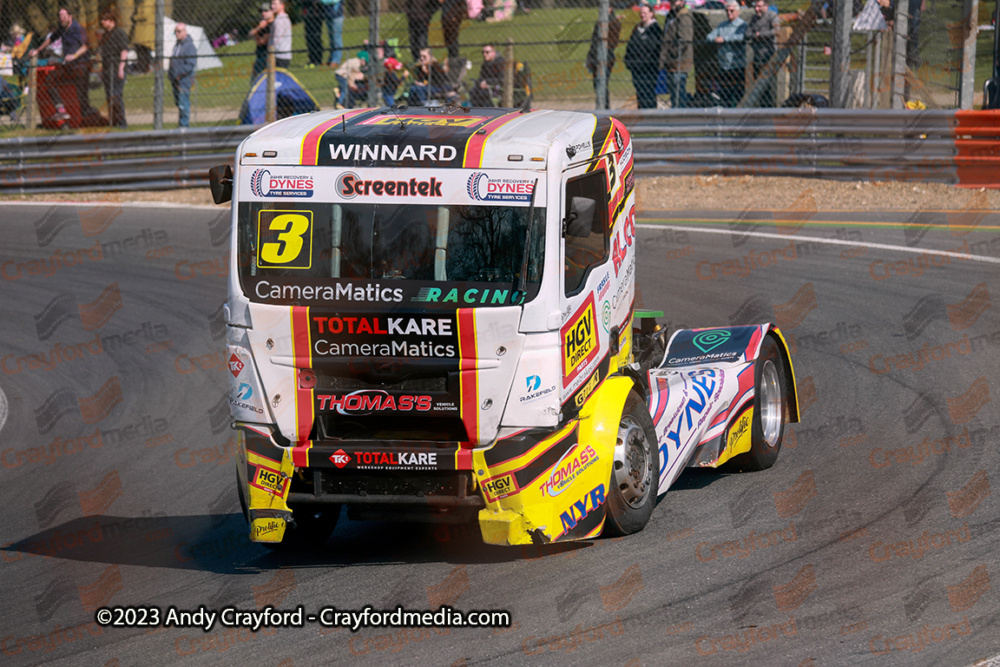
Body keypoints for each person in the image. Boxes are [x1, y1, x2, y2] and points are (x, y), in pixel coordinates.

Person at [29, 7, 95, 123]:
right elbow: (51, 39)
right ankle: (61, 110)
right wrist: (38, 50)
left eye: (64, 16)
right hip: (68, 66)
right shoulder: (62, 29)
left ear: (70, 16)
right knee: (49, 80)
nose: (62, 18)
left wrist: (74, 55)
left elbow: (86, 46)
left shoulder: (78, 28)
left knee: (82, 98)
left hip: (81, 66)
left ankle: (86, 120)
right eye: (60, 16)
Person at [706, 0, 747, 107]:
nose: (729, 13)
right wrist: (716, 39)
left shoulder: (742, 25)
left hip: (738, 66)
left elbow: (742, 37)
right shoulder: (722, 25)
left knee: (738, 94)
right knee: (725, 94)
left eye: (731, 11)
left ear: (738, 11)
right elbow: (709, 36)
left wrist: (724, 39)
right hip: (724, 66)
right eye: (727, 11)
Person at [623, 4, 662, 109]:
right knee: (640, 93)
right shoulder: (637, 28)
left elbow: (655, 49)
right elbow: (630, 46)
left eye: (645, 13)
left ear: (651, 13)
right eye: (641, 13)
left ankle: (651, 116)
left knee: (648, 93)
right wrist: (629, 62)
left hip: (649, 68)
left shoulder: (655, 30)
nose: (642, 15)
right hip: (636, 68)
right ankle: (642, 115)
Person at [659, 0, 694, 108]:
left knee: (678, 93)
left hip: (679, 62)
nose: (673, 3)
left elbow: (685, 40)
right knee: (673, 93)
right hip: (670, 63)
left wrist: (671, 53)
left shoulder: (684, 16)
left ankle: (681, 116)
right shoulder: (671, 15)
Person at [585, 7, 621, 109]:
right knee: (597, 84)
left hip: (607, 59)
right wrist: (590, 58)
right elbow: (593, 42)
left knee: (602, 83)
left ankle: (605, 107)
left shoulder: (614, 23)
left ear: (611, 8)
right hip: (595, 57)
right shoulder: (599, 22)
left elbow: (612, 43)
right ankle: (600, 105)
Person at [98, 12, 128, 127]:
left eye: (105, 20)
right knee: (109, 96)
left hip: (116, 68)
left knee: (116, 95)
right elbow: (101, 54)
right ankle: (113, 121)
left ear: (111, 21)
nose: (102, 22)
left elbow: (124, 51)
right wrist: (101, 71)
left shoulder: (119, 33)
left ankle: (121, 121)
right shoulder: (105, 35)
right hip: (106, 70)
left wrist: (121, 68)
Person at [747, 0, 778, 106]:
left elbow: (776, 31)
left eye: (759, 7)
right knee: (758, 86)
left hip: (768, 55)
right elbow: (748, 33)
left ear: (766, 6)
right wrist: (755, 35)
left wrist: (760, 35)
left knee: (768, 86)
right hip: (757, 56)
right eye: (755, 7)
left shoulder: (772, 16)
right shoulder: (754, 18)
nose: (756, 9)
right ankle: (761, 108)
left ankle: (770, 108)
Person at [168, 23, 197, 127]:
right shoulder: (178, 45)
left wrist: (179, 74)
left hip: (183, 80)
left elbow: (190, 65)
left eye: (179, 31)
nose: (177, 34)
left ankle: (184, 126)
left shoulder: (189, 46)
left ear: (185, 32)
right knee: (179, 104)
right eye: (175, 31)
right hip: (175, 80)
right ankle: (181, 125)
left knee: (184, 104)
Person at [249, 3, 274, 82]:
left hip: (267, 57)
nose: (263, 13)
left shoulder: (273, 25)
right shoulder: (262, 25)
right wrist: (259, 28)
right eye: (262, 11)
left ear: (272, 11)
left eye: (266, 11)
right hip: (259, 56)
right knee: (254, 81)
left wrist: (257, 36)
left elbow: (262, 41)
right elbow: (250, 34)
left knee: (264, 81)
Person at [321, 0, 344, 66]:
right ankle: (331, 59)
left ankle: (336, 60)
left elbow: (334, 1)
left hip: (337, 15)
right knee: (331, 39)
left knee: (336, 38)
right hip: (328, 15)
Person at [270, 0, 292, 68]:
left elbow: (276, 39)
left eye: (274, 4)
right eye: (272, 4)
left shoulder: (280, 20)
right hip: (282, 55)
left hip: (280, 56)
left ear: (282, 5)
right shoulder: (282, 19)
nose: (272, 6)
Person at [303, 0, 324, 67]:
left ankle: (318, 59)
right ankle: (311, 58)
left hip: (316, 14)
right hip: (308, 14)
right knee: (309, 37)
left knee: (316, 37)